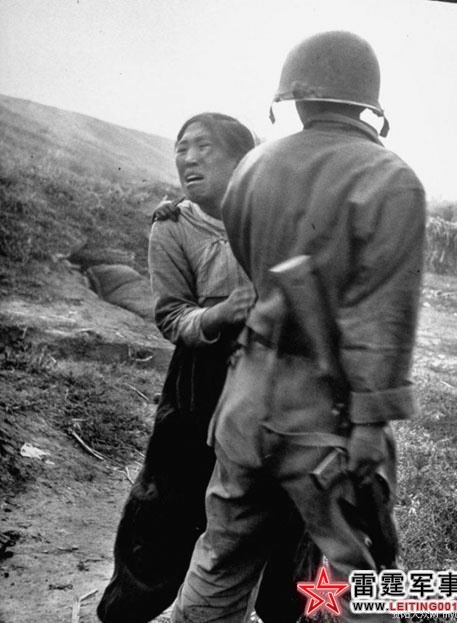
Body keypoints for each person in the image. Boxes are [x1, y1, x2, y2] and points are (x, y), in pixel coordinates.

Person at [169, 31, 427, 623]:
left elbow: (253, 260)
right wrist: (370, 424)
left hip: (244, 399)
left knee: (221, 557)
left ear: (294, 97)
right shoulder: (390, 178)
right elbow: (383, 315)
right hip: (325, 410)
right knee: (359, 575)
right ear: (367, 101)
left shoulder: (254, 166)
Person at [97, 112, 312, 623]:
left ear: (243, 159)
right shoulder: (173, 226)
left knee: (287, 502)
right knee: (170, 499)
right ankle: (128, 610)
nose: (188, 158)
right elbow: (172, 315)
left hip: (279, 377)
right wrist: (218, 315)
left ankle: (285, 608)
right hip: (202, 380)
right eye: (181, 148)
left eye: (203, 147)